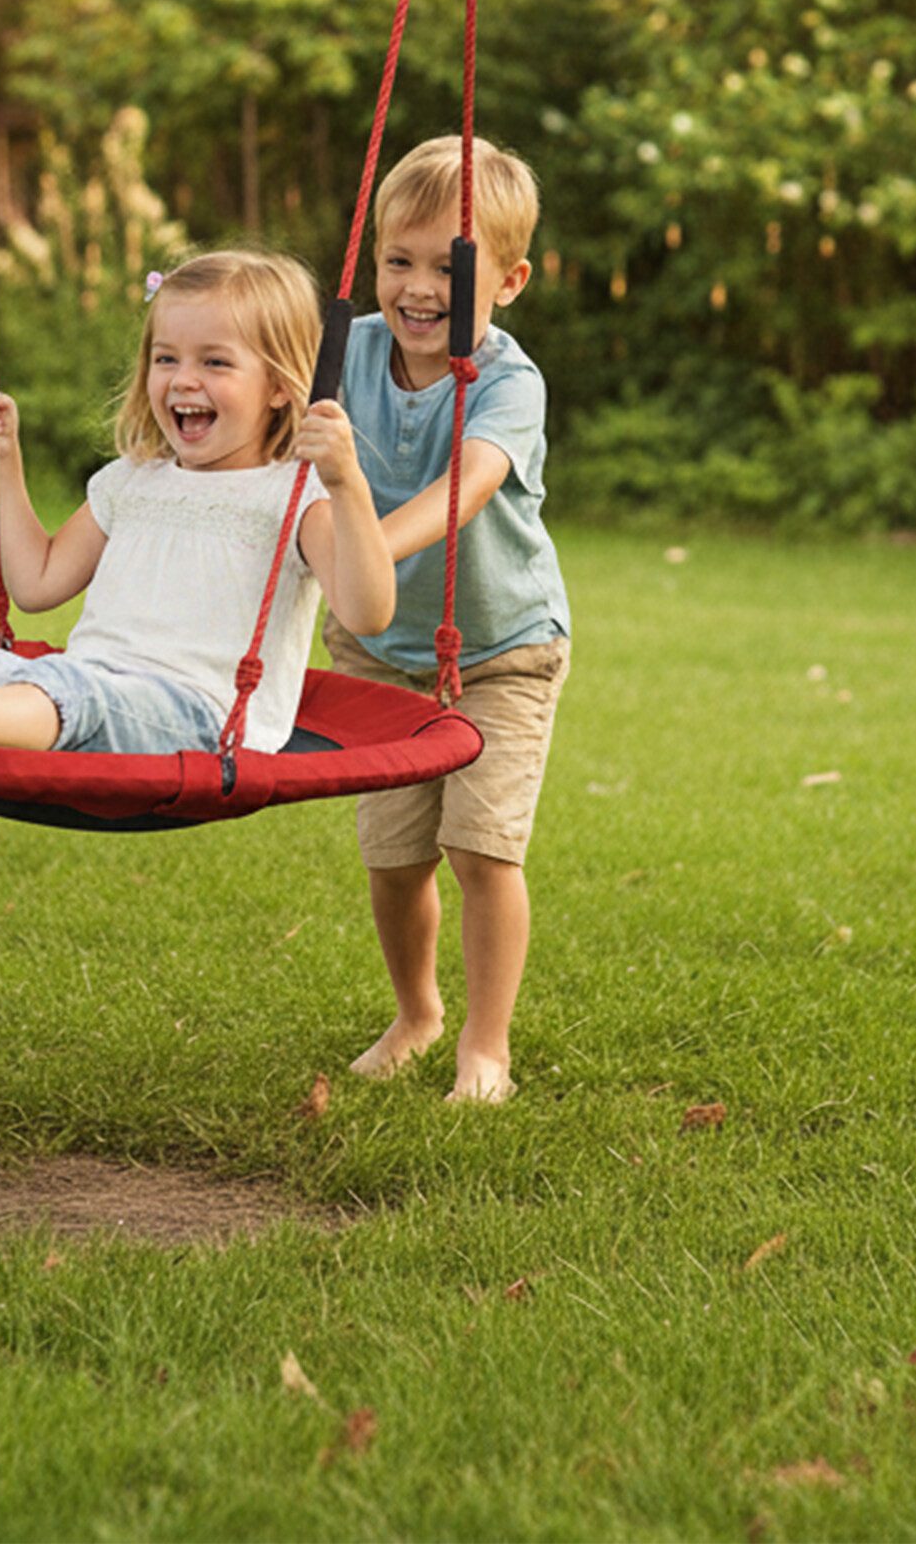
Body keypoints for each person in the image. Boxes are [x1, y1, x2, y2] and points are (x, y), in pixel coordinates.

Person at [0, 249, 394, 766]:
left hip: (204, 715)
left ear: (283, 387)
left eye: (214, 361)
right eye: (166, 358)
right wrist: (5, 460)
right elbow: (37, 582)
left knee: (69, 687)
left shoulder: (295, 496)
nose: (183, 380)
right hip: (93, 680)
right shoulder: (132, 482)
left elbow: (367, 614)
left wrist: (347, 485)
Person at [332, 136, 570, 1105]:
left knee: (481, 849)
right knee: (393, 856)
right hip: (379, 650)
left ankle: (485, 1043)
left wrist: (364, 551)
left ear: (508, 281)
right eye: (399, 260)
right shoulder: (342, 354)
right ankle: (417, 1011)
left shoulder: (508, 384)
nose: (419, 287)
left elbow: (467, 486)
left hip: (504, 651)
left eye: (450, 266)